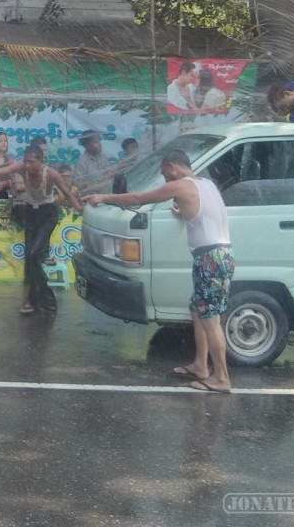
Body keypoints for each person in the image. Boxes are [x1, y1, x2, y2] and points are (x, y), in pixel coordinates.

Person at [85, 149, 235, 393]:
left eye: (166, 175)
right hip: (219, 256)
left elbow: (137, 198)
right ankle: (200, 365)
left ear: (173, 167)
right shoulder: (207, 184)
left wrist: (102, 198)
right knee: (198, 311)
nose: (167, 181)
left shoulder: (181, 185)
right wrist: (182, 213)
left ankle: (222, 378)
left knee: (211, 319)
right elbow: (204, 217)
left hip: (210, 259)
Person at [0, 146, 82, 313]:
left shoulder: (51, 174)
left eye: (31, 161)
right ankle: (32, 300)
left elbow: (67, 193)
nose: (27, 165)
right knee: (30, 259)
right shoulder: (21, 168)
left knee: (33, 255)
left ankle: (47, 300)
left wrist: (81, 210)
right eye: (25, 161)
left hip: (48, 215)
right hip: (31, 213)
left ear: (40, 161)